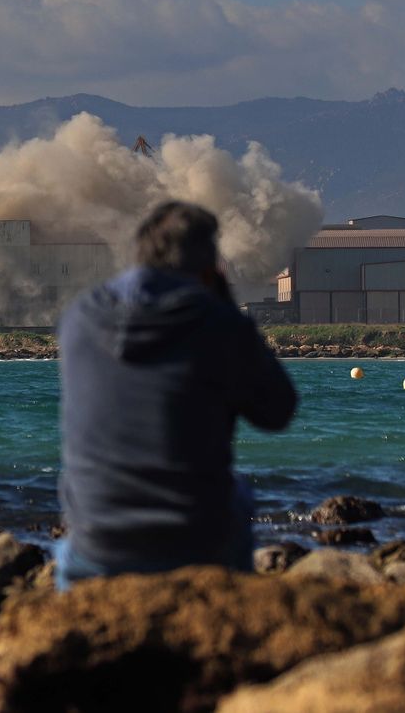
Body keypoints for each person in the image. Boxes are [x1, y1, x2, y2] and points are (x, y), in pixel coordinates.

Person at [55, 200, 296, 589]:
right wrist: (227, 306)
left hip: (98, 544)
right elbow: (278, 411)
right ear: (209, 266)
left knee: (67, 549)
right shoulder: (218, 322)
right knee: (240, 494)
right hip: (196, 543)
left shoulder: (80, 316)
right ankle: (230, 603)